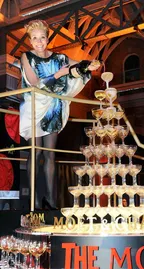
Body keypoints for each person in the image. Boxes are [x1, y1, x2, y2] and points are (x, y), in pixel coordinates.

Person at [19, 19, 101, 209]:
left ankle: (51, 201)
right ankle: (34, 201)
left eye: (42, 38)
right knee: (35, 151)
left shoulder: (59, 58)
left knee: (49, 155)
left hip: (53, 107)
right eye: (35, 38)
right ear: (30, 41)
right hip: (34, 106)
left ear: (48, 39)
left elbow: (78, 65)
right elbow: (33, 83)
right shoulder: (26, 57)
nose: (39, 42)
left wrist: (90, 64)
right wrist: (57, 75)